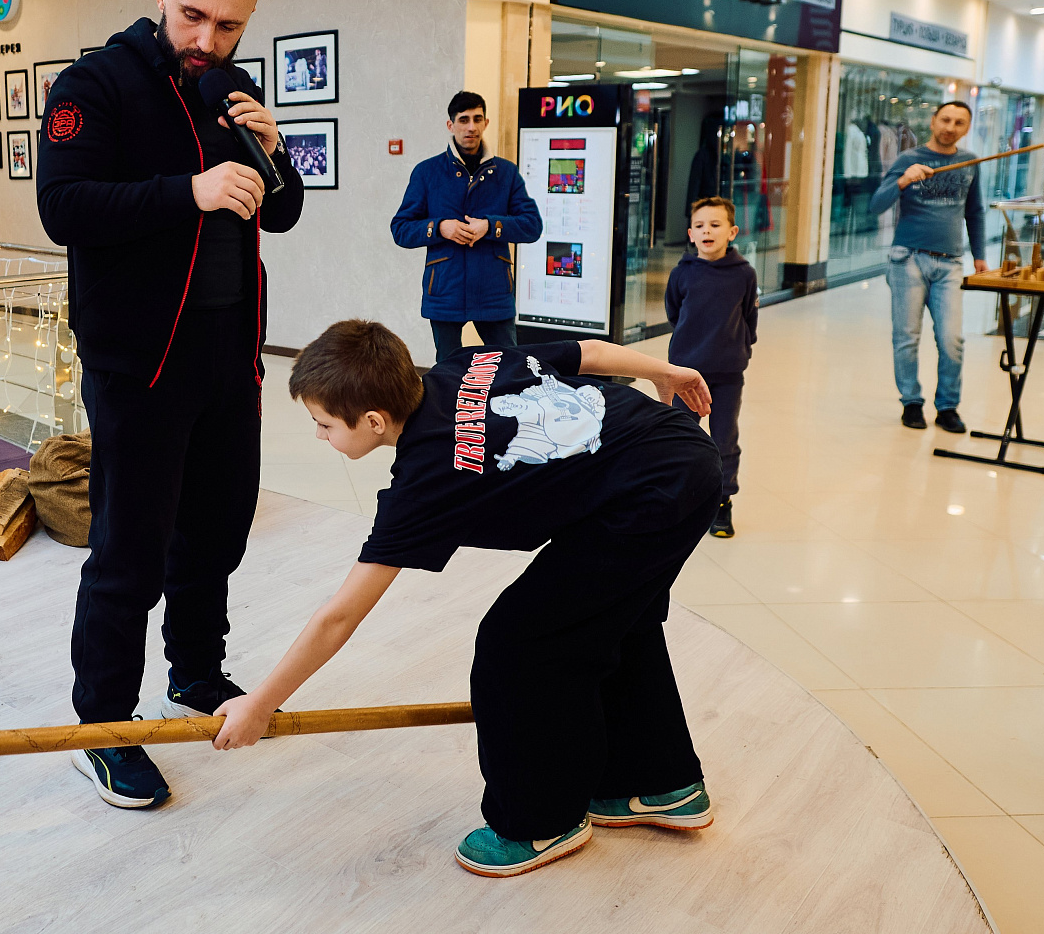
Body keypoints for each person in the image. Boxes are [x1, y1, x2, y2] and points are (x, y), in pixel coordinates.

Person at [212, 319, 721, 879]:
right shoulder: (463, 364)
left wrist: (260, 704)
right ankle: (663, 784)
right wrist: (666, 371)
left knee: (519, 646)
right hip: (677, 457)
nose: (318, 436)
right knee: (612, 624)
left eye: (324, 424)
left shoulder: (424, 480)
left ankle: (539, 822)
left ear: (374, 421)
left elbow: (340, 616)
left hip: (652, 496)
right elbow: (590, 355)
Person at [36, 0, 306, 811]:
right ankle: (101, 727)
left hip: (229, 354)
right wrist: (187, 190)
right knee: (130, 551)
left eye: (228, 26)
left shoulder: (232, 89)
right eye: (193, 16)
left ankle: (193, 672)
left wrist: (275, 152)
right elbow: (62, 207)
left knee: (217, 532)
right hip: (139, 362)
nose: (207, 39)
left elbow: (283, 212)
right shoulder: (95, 85)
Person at [391, 92, 542, 363]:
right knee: (449, 369)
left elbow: (532, 225)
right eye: (463, 120)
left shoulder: (506, 172)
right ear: (451, 125)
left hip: (494, 291)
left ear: (486, 123)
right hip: (445, 290)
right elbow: (401, 229)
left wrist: (491, 226)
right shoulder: (427, 172)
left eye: (477, 119)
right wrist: (440, 228)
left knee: (510, 366)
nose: (471, 127)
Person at [868, 101, 989, 433]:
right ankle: (911, 402)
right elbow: (876, 204)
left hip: (950, 263)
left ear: (967, 128)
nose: (950, 127)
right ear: (933, 121)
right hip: (907, 258)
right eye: (945, 120)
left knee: (952, 339)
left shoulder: (970, 162)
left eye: (959, 122)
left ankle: (947, 407)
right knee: (906, 337)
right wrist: (903, 181)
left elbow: (975, 212)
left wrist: (979, 255)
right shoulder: (908, 159)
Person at [665, 196, 758, 539]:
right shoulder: (682, 273)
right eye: (700, 226)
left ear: (732, 232)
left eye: (715, 225)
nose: (707, 231)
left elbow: (749, 317)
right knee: (681, 435)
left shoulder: (744, 274)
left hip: (728, 375)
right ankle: (680, 496)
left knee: (724, 439)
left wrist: (739, 347)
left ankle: (722, 500)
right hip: (686, 374)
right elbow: (675, 313)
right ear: (691, 234)